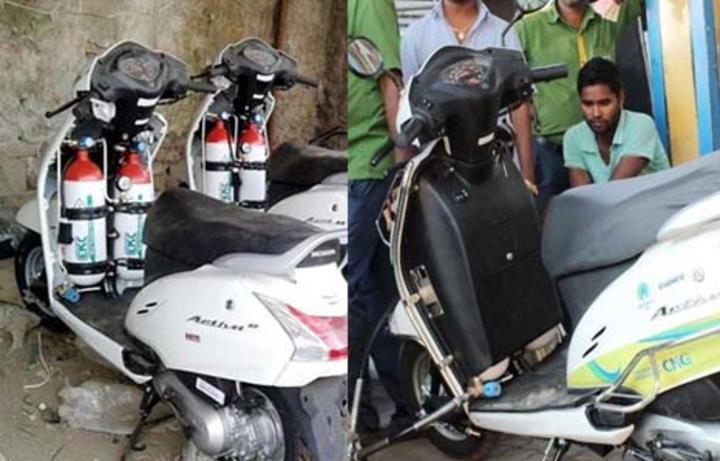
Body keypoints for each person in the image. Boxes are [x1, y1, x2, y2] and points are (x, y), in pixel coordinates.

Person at [514, 0, 642, 210]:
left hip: (601, 155)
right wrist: (527, 175)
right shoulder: (526, 29)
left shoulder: (607, 25)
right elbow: (514, 96)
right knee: (552, 224)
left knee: (600, 219)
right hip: (551, 155)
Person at [348, 0, 409, 432]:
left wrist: (400, 170)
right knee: (373, 293)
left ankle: (355, 411)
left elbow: (391, 84)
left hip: (368, 168)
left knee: (354, 292)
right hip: (353, 168)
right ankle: (403, 402)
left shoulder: (367, 5)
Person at [401, 0, 536, 186]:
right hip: (436, 171)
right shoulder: (415, 36)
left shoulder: (503, 33)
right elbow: (408, 109)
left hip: (494, 162)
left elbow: (520, 106)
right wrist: (405, 182)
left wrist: (528, 177)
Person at [564, 57, 668, 185]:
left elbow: (616, 189)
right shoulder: (573, 137)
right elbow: (580, 194)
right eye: (588, 104)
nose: (596, 113)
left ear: (621, 98)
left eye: (604, 103)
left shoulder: (641, 125)